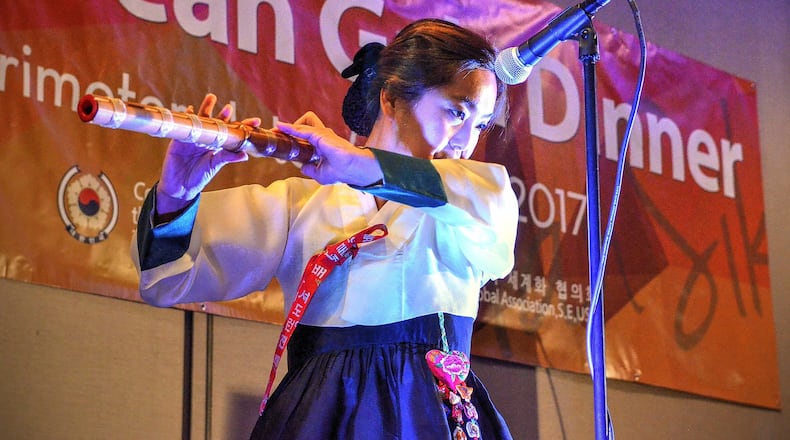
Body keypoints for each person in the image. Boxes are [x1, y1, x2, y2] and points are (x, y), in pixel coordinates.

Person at [131, 18, 518, 440]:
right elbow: (169, 279)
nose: (465, 141)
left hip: (428, 416)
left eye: (479, 125)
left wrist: (360, 167)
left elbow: (475, 197)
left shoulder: (473, 196)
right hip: (320, 414)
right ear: (391, 99)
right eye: (455, 112)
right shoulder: (300, 203)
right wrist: (177, 194)